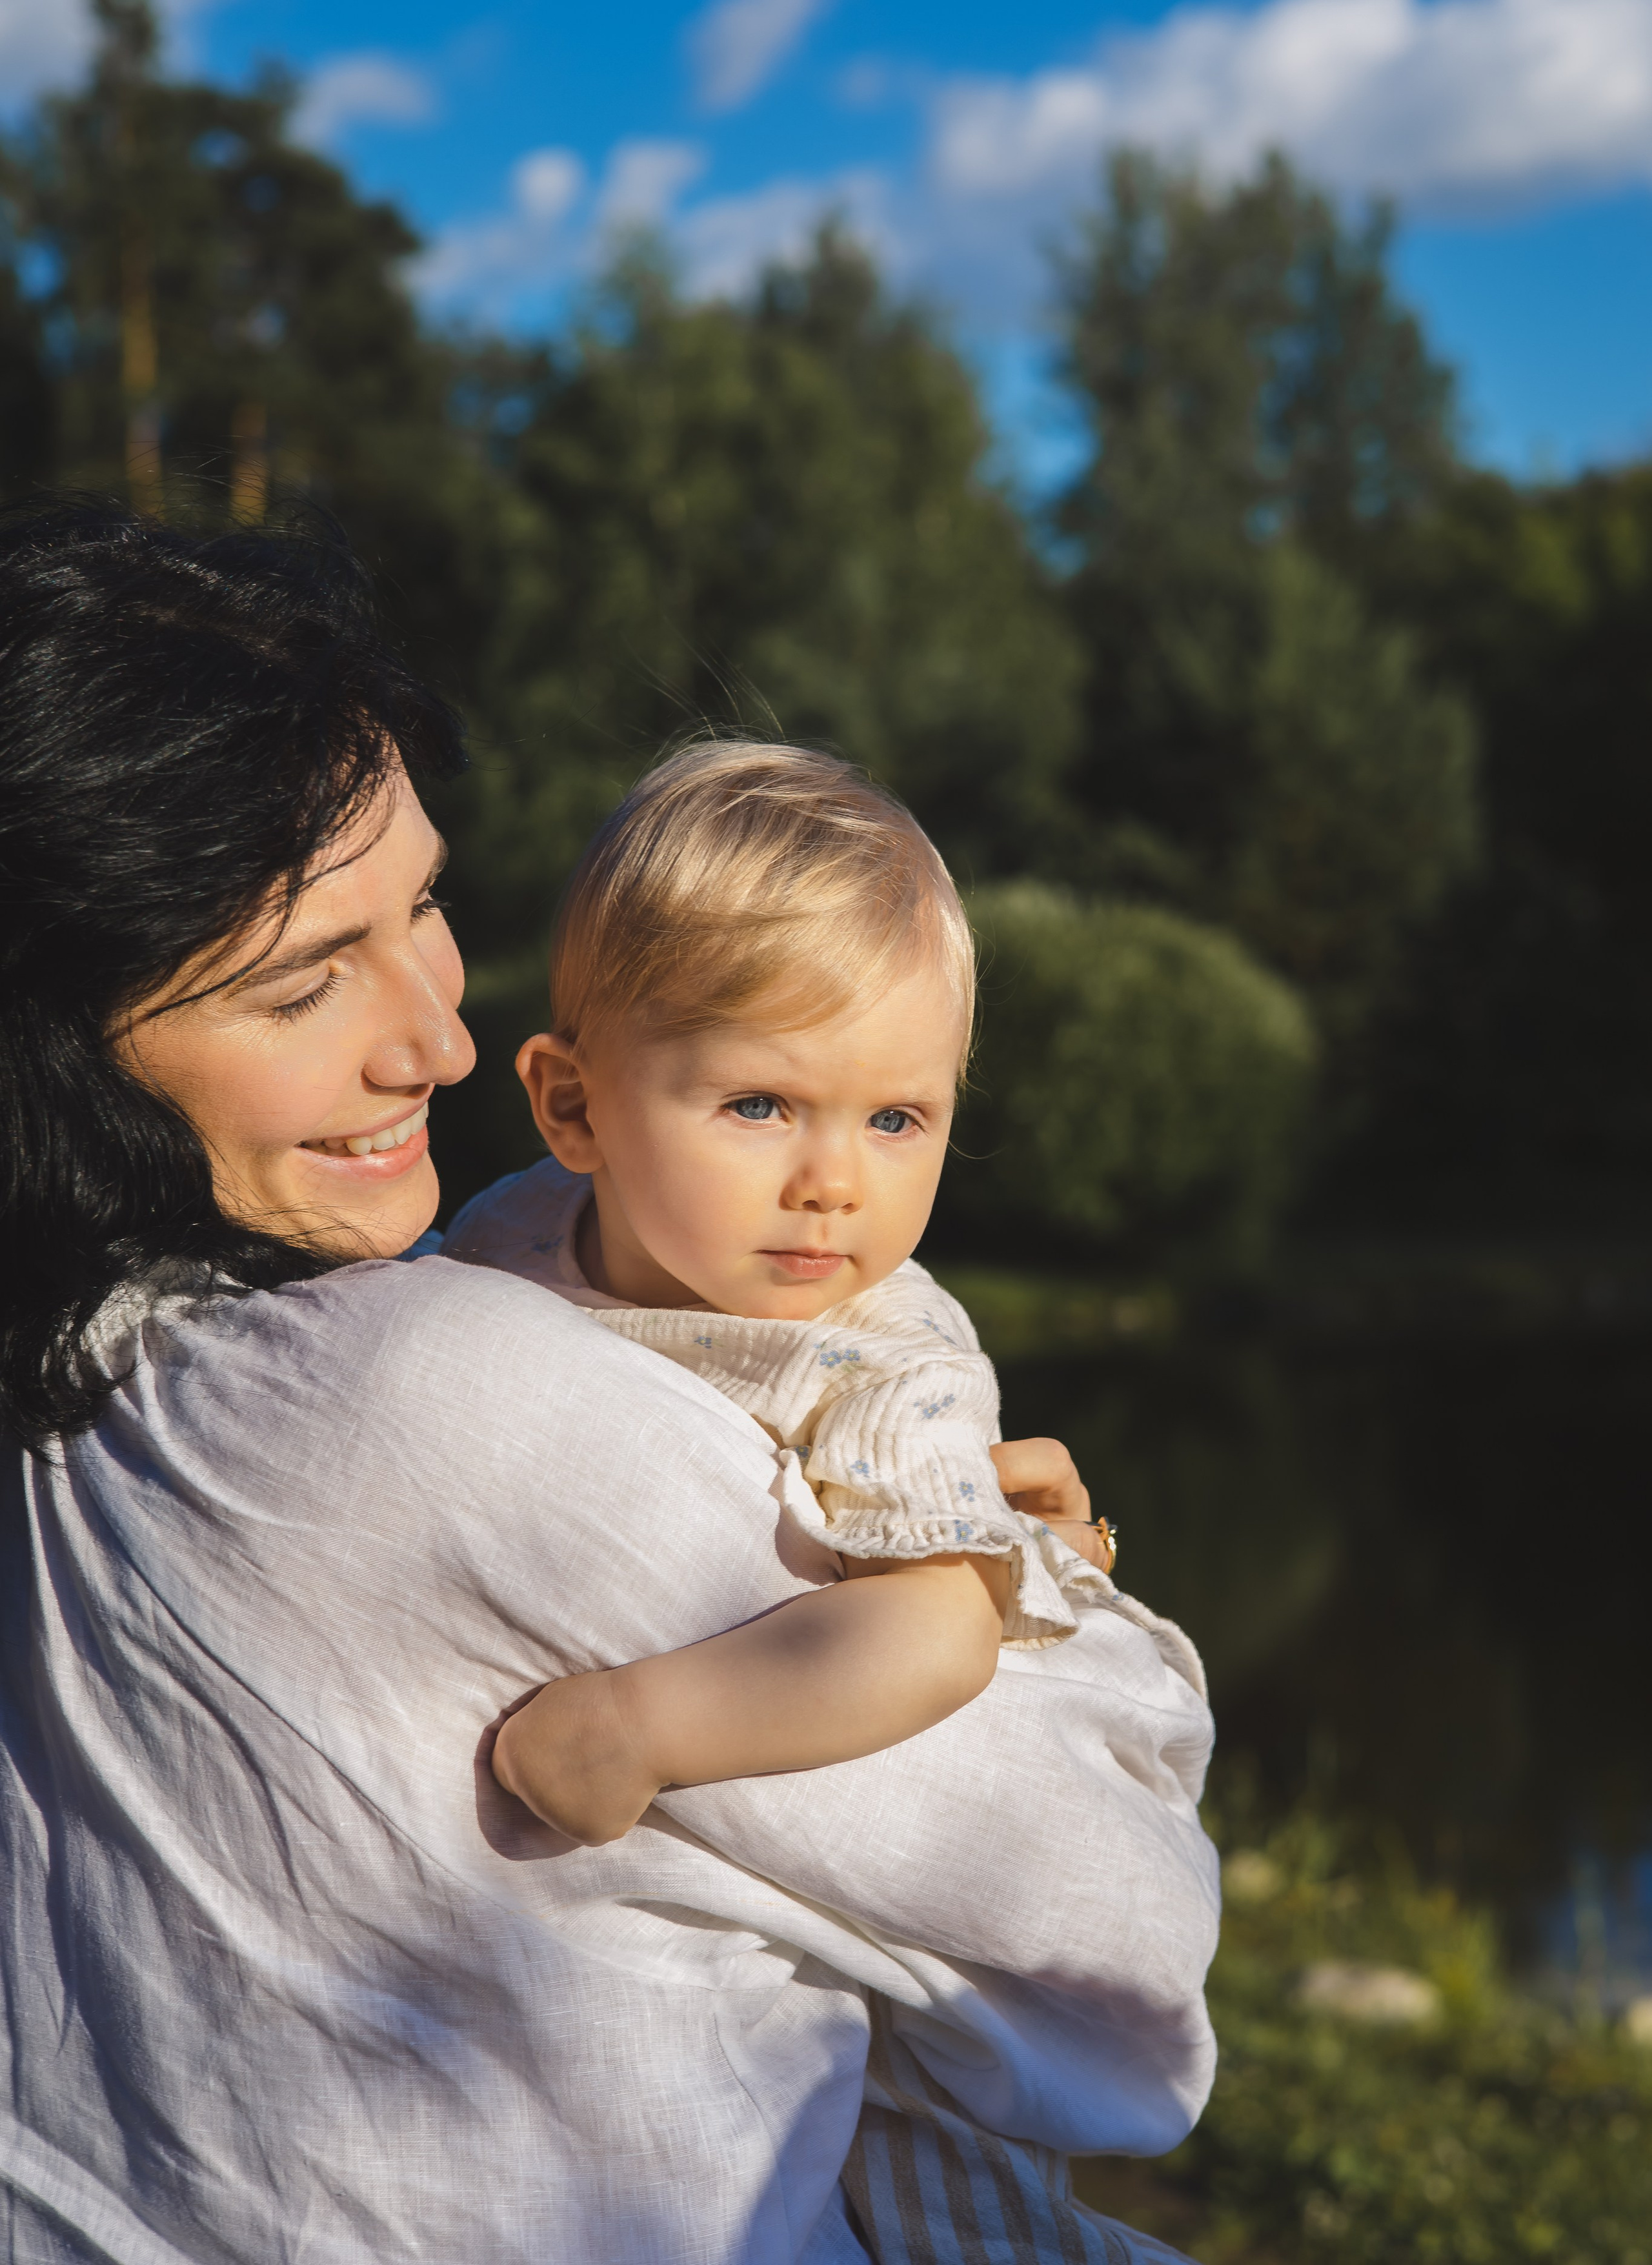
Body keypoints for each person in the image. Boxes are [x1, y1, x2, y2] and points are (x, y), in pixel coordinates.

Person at [0, 504, 1218, 2264]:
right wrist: (1075, 1618)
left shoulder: (88, 1395)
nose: (435, 1036)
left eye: (418, 903)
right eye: (298, 982)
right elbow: (1126, 1946)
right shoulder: (414, 1398)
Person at [445, 742, 1205, 1854]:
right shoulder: (509, 1229)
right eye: (760, 1104)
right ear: (574, 1106)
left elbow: (938, 1637)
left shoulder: (889, 1358)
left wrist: (638, 1727)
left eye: (896, 1119)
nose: (835, 1184)